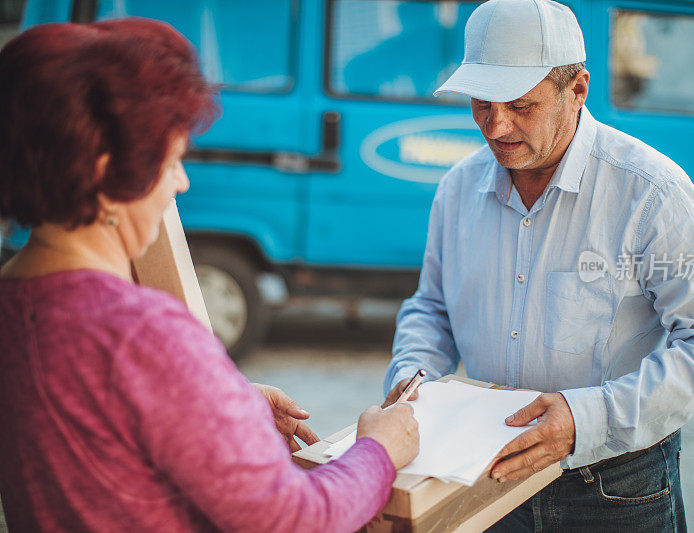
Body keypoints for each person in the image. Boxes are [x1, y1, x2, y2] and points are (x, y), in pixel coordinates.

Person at [0, 19, 418, 532]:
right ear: (108, 175)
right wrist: (379, 448)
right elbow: (295, 519)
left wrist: (221, 402)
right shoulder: (142, 332)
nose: (182, 182)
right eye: (171, 161)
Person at [382, 0, 694, 531]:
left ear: (577, 90)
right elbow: (433, 306)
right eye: (480, 102)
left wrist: (584, 421)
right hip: (485, 477)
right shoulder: (458, 188)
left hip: (614, 487)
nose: (496, 124)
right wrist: (412, 377)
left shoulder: (652, 193)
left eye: (521, 106)